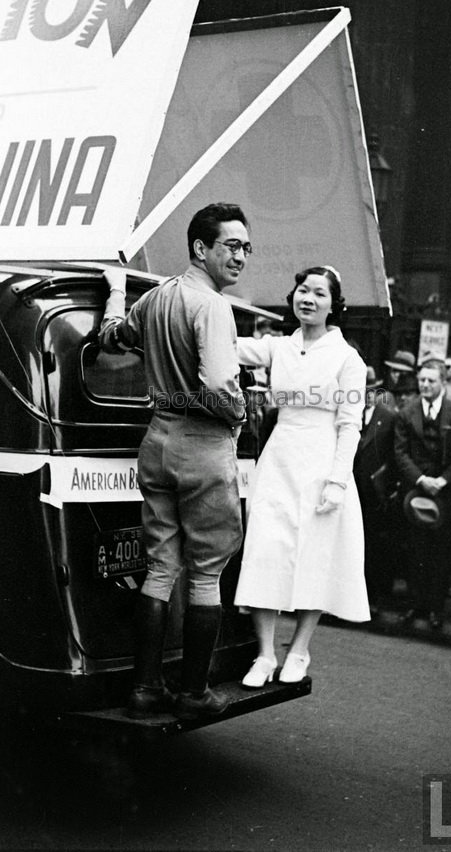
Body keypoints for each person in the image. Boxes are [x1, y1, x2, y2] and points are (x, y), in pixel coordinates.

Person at [99, 202, 251, 719]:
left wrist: (116, 289)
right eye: (231, 246)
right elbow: (216, 386)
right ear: (199, 249)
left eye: (246, 248)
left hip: (157, 442)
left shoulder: (156, 298)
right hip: (203, 449)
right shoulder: (211, 305)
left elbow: (110, 338)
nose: (241, 257)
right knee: (206, 574)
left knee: (160, 569)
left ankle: (145, 690)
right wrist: (238, 413)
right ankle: (193, 694)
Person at [234, 266, 369, 687]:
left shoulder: (348, 359)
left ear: (334, 305)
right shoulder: (278, 347)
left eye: (319, 294)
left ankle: (300, 649)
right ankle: (265, 654)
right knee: (265, 549)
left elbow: (350, 426)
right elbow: (225, 344)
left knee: (316, 556)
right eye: (302, 291)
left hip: (323, 461)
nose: (307, 299)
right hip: (280, 458)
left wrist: (337, 482)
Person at [394, 357, 451, 631]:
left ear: (442, 382)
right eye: (421, 380)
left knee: (440, 551)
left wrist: (444, 480)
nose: (425, 385)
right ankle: (415, 604)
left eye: (431, 380)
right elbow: (400, 451)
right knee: (415, 548)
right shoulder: (407, 412)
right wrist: (419, 478)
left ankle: (435, 609)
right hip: (416, 490)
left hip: (445, 492)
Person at [353, 367, 398, 615]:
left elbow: (393, 456)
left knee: (373, 546)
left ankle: (372, 597)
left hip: (374, 492)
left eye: (371, 391)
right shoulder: (350, 413)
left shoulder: (388, 417)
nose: (367, 395)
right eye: (363, 391)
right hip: (351, 487)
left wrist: (386, 486)